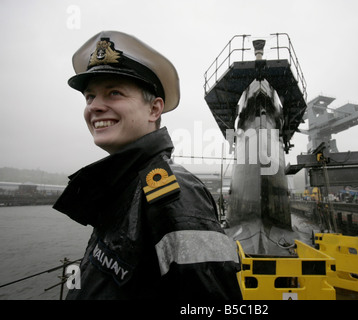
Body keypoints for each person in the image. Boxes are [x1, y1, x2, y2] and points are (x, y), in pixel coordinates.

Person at [53, 30, 242, 300]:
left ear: (154, 110)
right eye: (90, 97)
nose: (95, 106)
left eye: (114, 93)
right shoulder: (124, 183)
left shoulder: (174, 194)